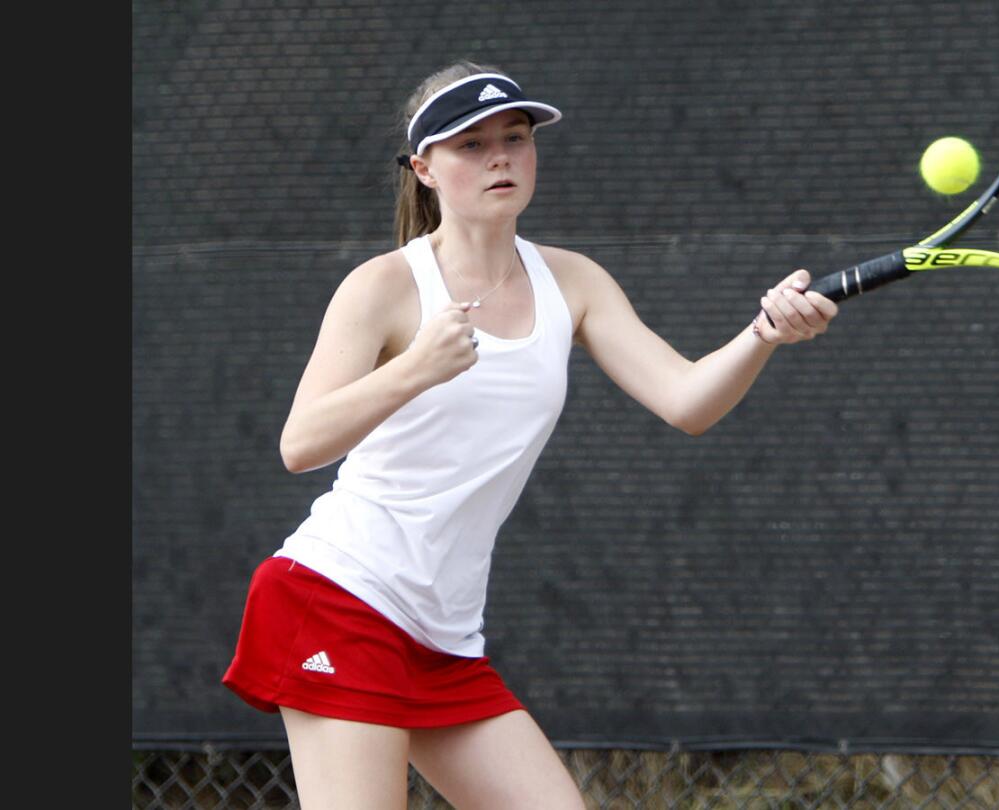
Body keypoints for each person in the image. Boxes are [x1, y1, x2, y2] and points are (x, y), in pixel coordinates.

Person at [221, 60, 838, 809]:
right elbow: (301, 443)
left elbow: (687, 400)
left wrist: (765, 333)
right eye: (471, 145)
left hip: (442, 634)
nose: (501, 157)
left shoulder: (573, 282)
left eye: (515, 137)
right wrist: (416, 367)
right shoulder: (383, 285)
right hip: (338, 598)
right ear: (424, 168)